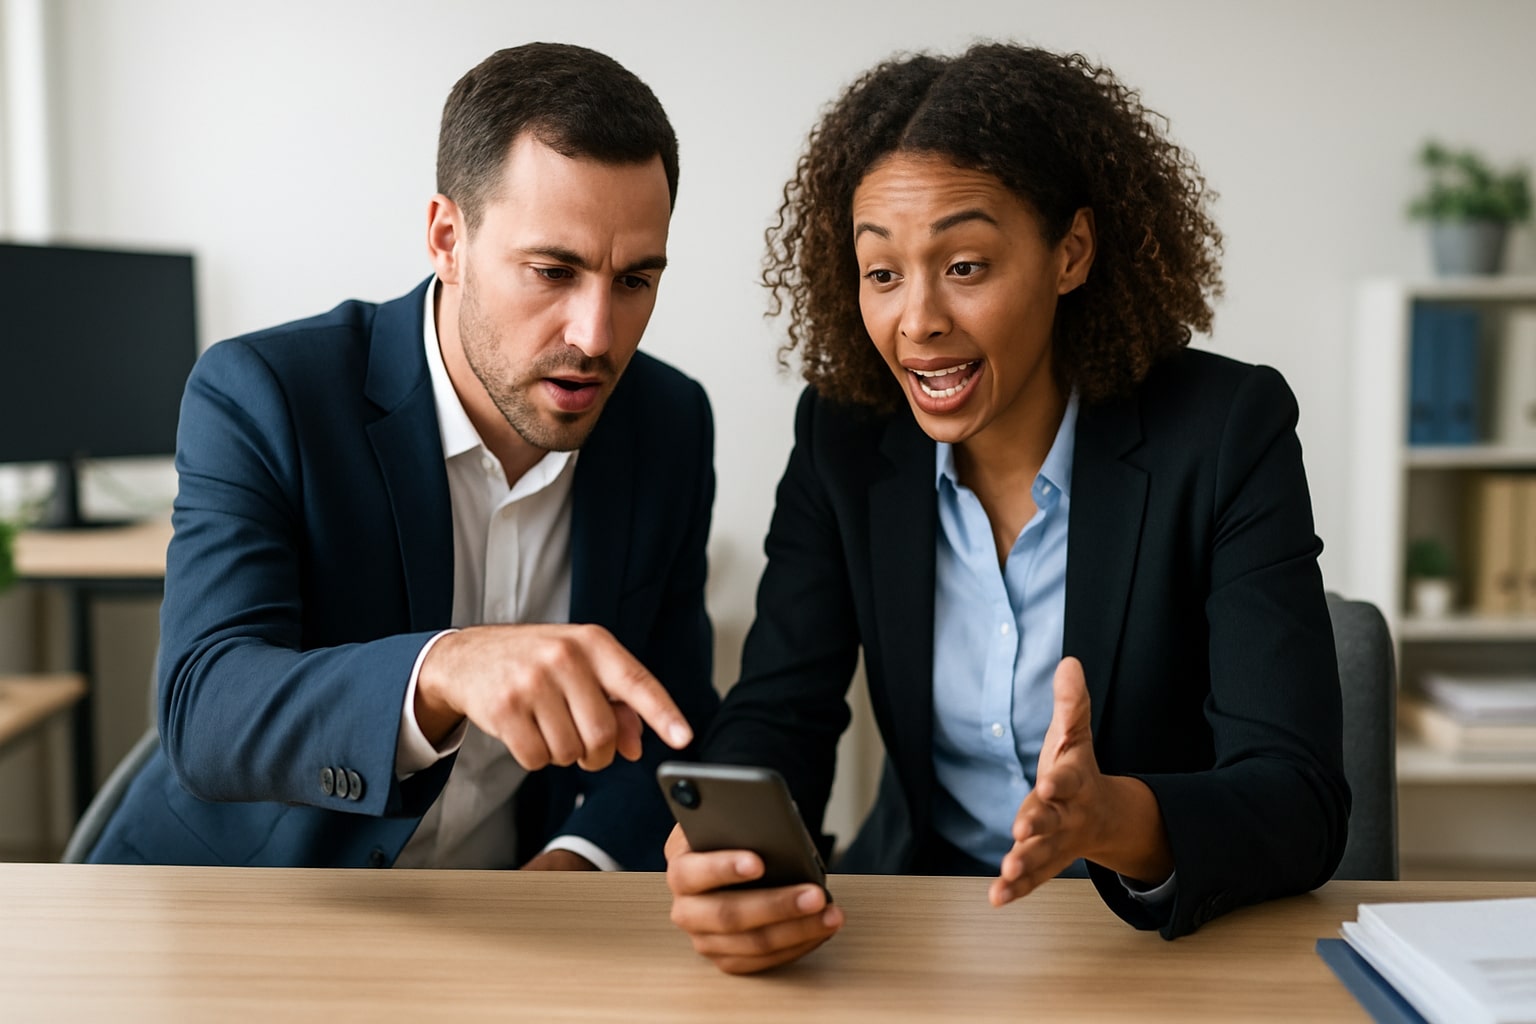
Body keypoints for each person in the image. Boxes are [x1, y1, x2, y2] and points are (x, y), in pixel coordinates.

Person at [666, 42, 1349, 973]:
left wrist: (1117, 821)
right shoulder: (845, 436)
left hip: (1150, 953)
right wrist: (733, 852)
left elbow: (1299, 801)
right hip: (917, 933)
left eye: (968, 265)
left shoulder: (1226, 431)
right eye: (882, 273)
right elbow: (781, 711)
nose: (917, 320)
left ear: (1070, 253)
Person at [89, 43, 719, 872]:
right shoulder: (265, 393)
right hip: (238, 902)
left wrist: (577, 862)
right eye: (551, 271)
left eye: (635, 281)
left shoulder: (668, 423)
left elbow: (673, 719)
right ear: (447, 239)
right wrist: (442, 670)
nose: (596, 337)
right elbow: (205, 710)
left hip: (502, 923)